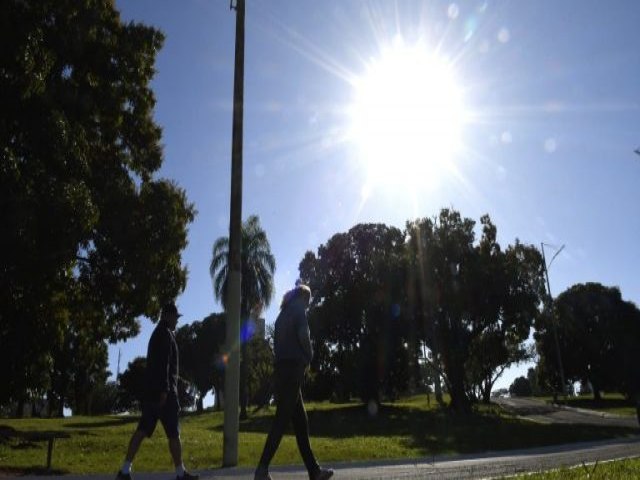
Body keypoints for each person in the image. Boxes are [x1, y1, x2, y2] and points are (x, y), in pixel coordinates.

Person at [254, 284, 333, 480]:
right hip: (293, 370)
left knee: (300, 422)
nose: (308, 305)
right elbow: (303, 336)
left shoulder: (282, 315)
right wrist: (310, 355)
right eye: (308, 301)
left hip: (282, 370)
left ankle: (314, 471)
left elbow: (278, 344)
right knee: (281, 420)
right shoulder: (298, 310)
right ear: (304, 298)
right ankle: (261, 470)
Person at [116, 302, 198, 480]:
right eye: (175, 317)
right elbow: (163, 364)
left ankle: (124, 470)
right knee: (174, 434)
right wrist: (165, 390)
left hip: (153, 393)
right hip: (164, 395)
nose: (177, 320)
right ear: (167, 316)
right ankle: (180, 473)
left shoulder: (158, 334)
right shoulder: (165, 335)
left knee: (142, 429)